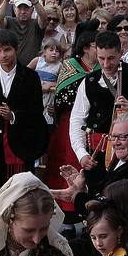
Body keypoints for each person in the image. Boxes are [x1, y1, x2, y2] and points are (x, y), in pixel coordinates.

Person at [60, 109, 128, 256]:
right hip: (116, 241)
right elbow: (107, 188)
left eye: (123, 137)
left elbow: (107, 211)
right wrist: (82, 185)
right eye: (114, 137)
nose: (116, 143)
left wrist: (77, 196)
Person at [67, 30, 128, 181]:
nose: (106, 64)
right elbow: (76, 120)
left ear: (121, 53)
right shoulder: (88, 81)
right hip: (96, 155)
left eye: (111, 58)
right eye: (101, 58)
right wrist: (81, 154)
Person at [0, 28, 47, 203]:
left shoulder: (30, 77)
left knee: (21, 193)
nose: (2, 55)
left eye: (6, 50)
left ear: (15, 49)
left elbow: (36, 111)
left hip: (21, 143)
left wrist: (13, 115)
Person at [45, 29, 97, 211]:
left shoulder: (105, 68)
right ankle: (65, 212)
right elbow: (61, 95)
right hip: (69, 122)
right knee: (65, 162)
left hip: (96, 124)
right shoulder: (70, 66)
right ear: (85, 48)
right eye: (96, 45)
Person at [0, 0, 42, 66]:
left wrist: (35, 1)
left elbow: (44, 18)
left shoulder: (36, 24)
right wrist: (6, 1)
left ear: (32, 10)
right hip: (11, 68)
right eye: (19, 8)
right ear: (14, 9)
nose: (23, 11)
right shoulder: (9, 21)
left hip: (33, 70)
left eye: (26, 8)